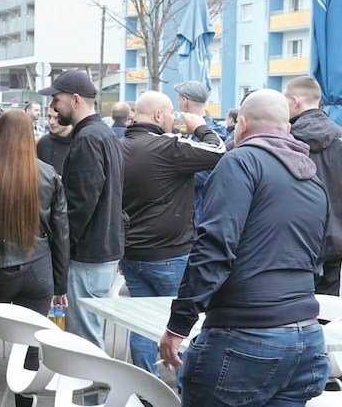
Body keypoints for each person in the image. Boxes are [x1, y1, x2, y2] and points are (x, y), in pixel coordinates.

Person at [160, 89, 331, 406]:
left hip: (246, 336)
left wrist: (178, 325)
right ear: (288, 129)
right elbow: (320, 254)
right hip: (307, 339)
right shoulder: (312, 178)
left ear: (242, 125)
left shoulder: (240, 162)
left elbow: (213, 248)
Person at [0, 110, 69, 407]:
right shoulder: (50, 175)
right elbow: (61, 235)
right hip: (39, 272)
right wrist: (60, 286)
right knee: (29, 348)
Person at [120, 90, 224, 374]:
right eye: (170, 115)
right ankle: (187, 387)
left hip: (131, 252)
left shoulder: (119, 146)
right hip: (170, 252)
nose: (173, 120)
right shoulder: (168, 146)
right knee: (183, 323)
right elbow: (218, 152)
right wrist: (200, 126)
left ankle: (144, 388)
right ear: (158, 116)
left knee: (142, 322)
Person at [38, 70, 124, 351]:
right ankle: (94, 393)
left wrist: (60, 249)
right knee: (86, 336)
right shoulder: (101, 134)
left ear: (75, 100)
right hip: (99, 250)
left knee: (84, 342)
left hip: (88, 254)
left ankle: (94, 395)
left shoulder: (88, 137)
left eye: (56, 99)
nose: (52, 107)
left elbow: (80, 204)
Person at [286, 76, 342, 295]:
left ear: (295, 101)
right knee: (329, 314)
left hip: (294, 241)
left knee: (292, 314)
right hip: (335, 240)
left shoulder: (288, 139)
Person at [175, 80, 227, 225]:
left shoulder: (213, 134)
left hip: (201, 211)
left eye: (178, 99)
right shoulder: (187, 130)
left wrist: (171, 173)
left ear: (185, 101)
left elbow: (207, 173)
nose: (178, 104)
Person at [36, 106, 73, 175]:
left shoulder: (80, 142)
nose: (51, 122)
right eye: (49, 117)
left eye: (57, 118)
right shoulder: (43, 143)